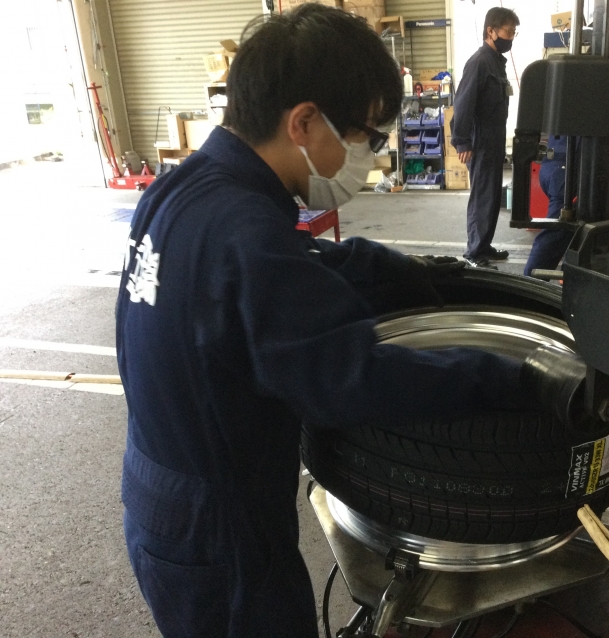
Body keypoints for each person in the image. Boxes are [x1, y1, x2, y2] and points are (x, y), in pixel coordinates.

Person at [116, 5, 579, 637]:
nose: (368, 155)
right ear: (304, 122)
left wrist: (405, 272)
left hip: (163, 494)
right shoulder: (248, 234)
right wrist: (518, 376)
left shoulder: (188, 188)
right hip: (222, 533)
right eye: (365, 136)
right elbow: (355, 379)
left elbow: (299, 267)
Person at [451, 7, 520, 269]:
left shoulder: (496, 62)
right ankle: (474, 252)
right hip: (479, 142)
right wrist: (462, 140)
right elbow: (463, 104)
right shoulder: (479, 62)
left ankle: (484, 245)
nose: (510, 38)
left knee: (491, 196)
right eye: (508, 32)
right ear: (491, 31)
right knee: (482, 196)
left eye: (513, 33)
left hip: (493, 141)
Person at [524, 135, 575, 277]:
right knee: (556, 232)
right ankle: (531, 284)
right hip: (565, 170)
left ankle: (571, 274)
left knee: (574, 227)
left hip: (552, 164)